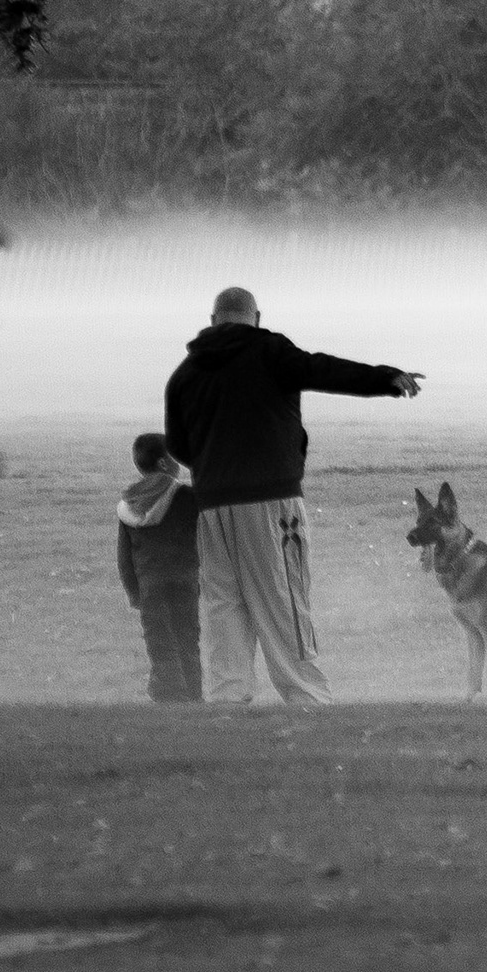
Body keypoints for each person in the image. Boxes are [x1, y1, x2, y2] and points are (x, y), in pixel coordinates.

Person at [162, 286, 422, 704]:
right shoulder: (269, 352)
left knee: (223, 602)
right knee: (283, 594)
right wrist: (385, 378)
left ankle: (228, 698)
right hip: (273, 503)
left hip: (211, 506)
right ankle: (307, 699)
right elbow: (323, 370)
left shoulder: (185, 374)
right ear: (257, 317)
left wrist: (213, 469)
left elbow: (177, 445)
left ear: (213, 320)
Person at [114, 431, 201, 704]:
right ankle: (193, 697)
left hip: (149, 585)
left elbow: (124, 557)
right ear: (164, 463)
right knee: (188, 639)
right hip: (186, 581)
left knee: (160, 643)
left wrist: (133, 593)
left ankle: (170, 696)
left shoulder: (129, 505)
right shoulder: (188, 497)